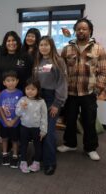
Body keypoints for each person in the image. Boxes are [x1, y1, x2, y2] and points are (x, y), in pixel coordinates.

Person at [57, 18, 106, 161]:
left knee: (89, 121)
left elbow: (104, 71)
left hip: (88, 93)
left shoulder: (98, 49)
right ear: (75, 31)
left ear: (90, 30)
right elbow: (61, 69)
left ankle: (90, 148)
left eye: (84, 28)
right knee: (70, 119)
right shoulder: (67, 49)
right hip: (71, 93)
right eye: (78, 28)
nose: (81, 31)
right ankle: (70, 144)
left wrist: (97, 90)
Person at [33, 36, 67, 175]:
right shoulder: (37, 61)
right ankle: (40, 156)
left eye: (46, 45)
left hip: (51, 98)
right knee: (39, 128)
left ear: (51, 46)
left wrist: (57, 104)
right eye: (41, 45)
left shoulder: (58, 61)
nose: (43, 47)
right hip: (38, 97)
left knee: (49, 132)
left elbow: (62, 83)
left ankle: (50, 163)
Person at [15, 78, 47, 173]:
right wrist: (22, 107)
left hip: (36, 128)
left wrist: (43, 130)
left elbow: (44, 117)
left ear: (38, 90)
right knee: (24, 145)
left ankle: (36, 163)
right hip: (24, 127)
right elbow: (17, 113)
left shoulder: (41, 102)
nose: (30, 91)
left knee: (37, 146)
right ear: (25, 89)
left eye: (33, 89)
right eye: (28, 89)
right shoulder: (22, 100)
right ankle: (23, 162)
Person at [0, 70, 23, 168]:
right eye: (8, 80)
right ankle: (5, 154)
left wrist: (14, 120)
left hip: (15, 122)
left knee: (15, 140)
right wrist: (5, 120)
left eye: (13, 80)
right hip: (4, 122)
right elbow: (0, 107)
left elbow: (21, 109)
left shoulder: (20, 93)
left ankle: (15, 156)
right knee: (4, 139)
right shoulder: (2, 94)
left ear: (17, 81)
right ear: (4, 82)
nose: (11, 82)